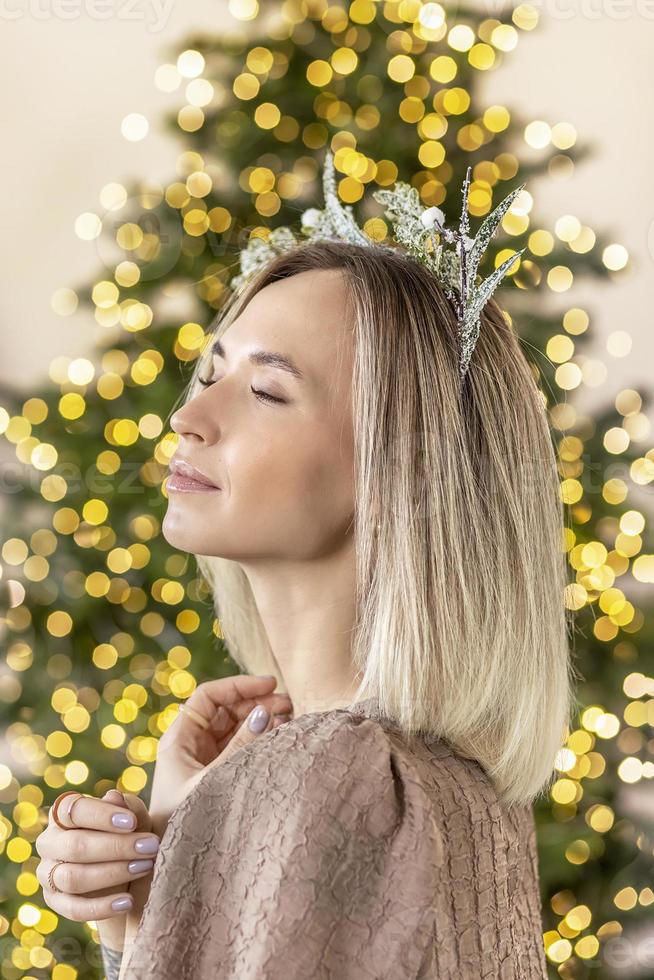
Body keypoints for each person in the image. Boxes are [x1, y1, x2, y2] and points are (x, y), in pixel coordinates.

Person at [39, 158, 577, 978]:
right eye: (212, 371)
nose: (188, 416)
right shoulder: (452, 788)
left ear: (403, 467)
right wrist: (158, 903)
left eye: (267, 390)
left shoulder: (336, 778)